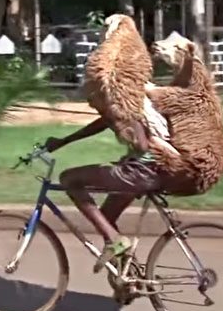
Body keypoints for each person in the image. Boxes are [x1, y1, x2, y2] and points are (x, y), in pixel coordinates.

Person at [45, 116, 165, 273]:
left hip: (138, 173)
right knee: (106, 217)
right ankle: (128, 276)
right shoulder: (133, 106)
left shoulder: (129, 106)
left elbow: (141, 145)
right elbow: (102, 123)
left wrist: (132, 134)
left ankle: (113, 239)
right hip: (150, 172)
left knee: (68, 178)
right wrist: (65, 141)